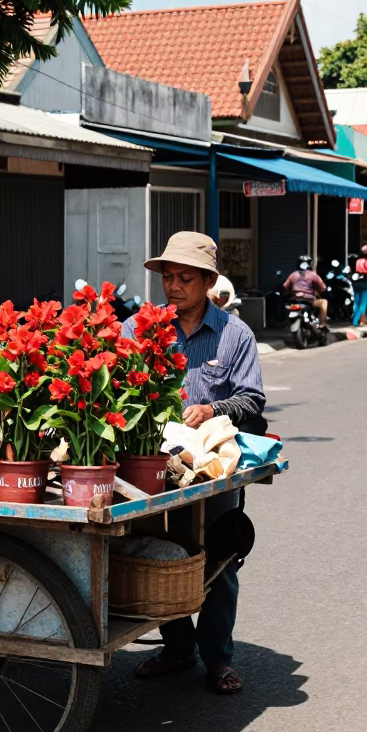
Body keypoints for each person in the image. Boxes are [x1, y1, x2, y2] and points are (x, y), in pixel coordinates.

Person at [122, 231, 266, 696]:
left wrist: (212, 409)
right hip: (153, 467)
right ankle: (179, 647)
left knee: (220, 560)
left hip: (214, 471)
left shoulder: (234, 333)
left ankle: (219, 658)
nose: (174, 286)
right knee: (166, 556)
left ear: (208, 282)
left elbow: (252, 401)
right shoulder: (138, 328)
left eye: (186, 278)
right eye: (168, 277)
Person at [282, 255, 328, 327]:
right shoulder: (312, 274)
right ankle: (322, 325)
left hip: (296, 300)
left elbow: (285, 287)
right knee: (324, 302)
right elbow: (323, 287)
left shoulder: (293, 274)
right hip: (308, 300)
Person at [351, 244, 367, 326]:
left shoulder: (358, 261)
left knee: (356, 303)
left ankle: (357, 320)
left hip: (357, 284)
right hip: (366, 284)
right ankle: (358, 321)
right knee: (363, 304)